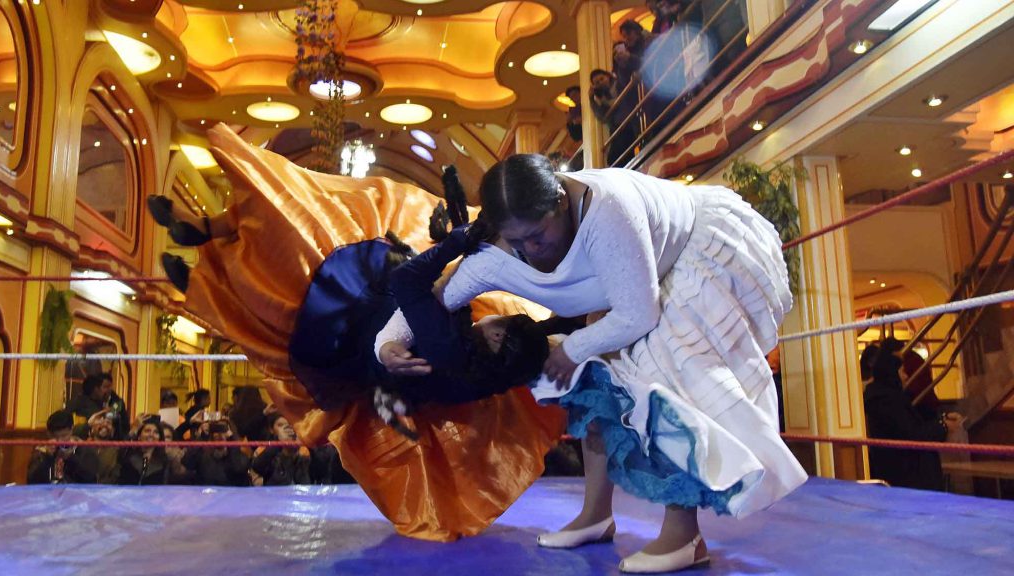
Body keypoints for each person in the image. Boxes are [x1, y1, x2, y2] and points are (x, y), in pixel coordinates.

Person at [380, 155, 807, 573]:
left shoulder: (608, 211)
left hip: (691, 254)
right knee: (594, 386)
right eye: (517, 240)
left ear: (561, 201)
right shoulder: (494, 254)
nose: (530, 249)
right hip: (625, 292)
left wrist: (573, 348)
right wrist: (387, 343)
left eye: (538, 234)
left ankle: (684, 537)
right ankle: (595, 516)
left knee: (668, 382)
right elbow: (433, 298)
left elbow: (639, 315)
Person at [145, 123, 565, 541]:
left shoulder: (450, 344)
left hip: (354, 309)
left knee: (301, 222)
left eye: (502, 324)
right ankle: (204, 251)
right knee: (278, 288)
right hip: (352, 342)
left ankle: (206, 263)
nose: (495, 318)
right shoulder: (474, 372)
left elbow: (415, 286)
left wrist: (454, 245)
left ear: (496, 339)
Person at [863, 337, 962, 491]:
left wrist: (942, 421)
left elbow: (911, 427)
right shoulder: (887, 401)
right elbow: (912, 435)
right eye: (902, 371)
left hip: (906, 478)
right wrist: (943, 426)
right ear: (892, 371)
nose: (906, 376)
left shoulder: (884, 397)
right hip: (909, 480)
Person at [27, 410, 98, 485]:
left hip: (75, 494)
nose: (59, 441)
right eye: (54, 436)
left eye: (64, 435)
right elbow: (31, 481)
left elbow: (91, 480)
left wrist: (70, 458)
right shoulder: (40, 452)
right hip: (47, 493)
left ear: (71, 430)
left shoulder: (85, 450)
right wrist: (47, 457)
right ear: (48, 433)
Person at [251, 412, 311, 486]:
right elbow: (257, 468)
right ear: (271, 429)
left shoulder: (304, 449)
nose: (286, 429)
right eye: (280, 425)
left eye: (290, 425)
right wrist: (279, 442)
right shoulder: (263, 450)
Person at [118, 418, 169, 485]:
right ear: (139, 436)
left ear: (159, 438)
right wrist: (133, 431)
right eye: (147, 431)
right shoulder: (128, 454)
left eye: (156, 432)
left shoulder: (164, 460)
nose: (151, 434)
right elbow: (120, 450)